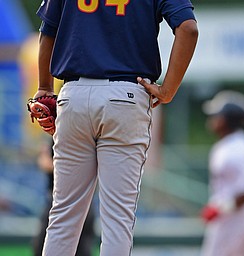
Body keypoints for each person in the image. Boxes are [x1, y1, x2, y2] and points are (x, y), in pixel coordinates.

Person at [33, 1, 198, 255]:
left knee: (63, 216)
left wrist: (45, 87)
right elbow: (188, 29)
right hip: (126, 96)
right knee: (117, 221)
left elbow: (49, 29)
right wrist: (168, 90)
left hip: (73, 94)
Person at [200, 90, 244, 256]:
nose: (212, 119)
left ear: (225, 119)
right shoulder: (231, 143)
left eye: (216, 115)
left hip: (239, 215)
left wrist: (222, 208)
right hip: (239, 214)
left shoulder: (237, 147)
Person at [33, 139, 95, 256]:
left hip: (63, 202)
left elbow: (47, 164)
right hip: (84, 201)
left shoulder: (65, 133)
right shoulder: (89, 134)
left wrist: (44, 154)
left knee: (48, 245)